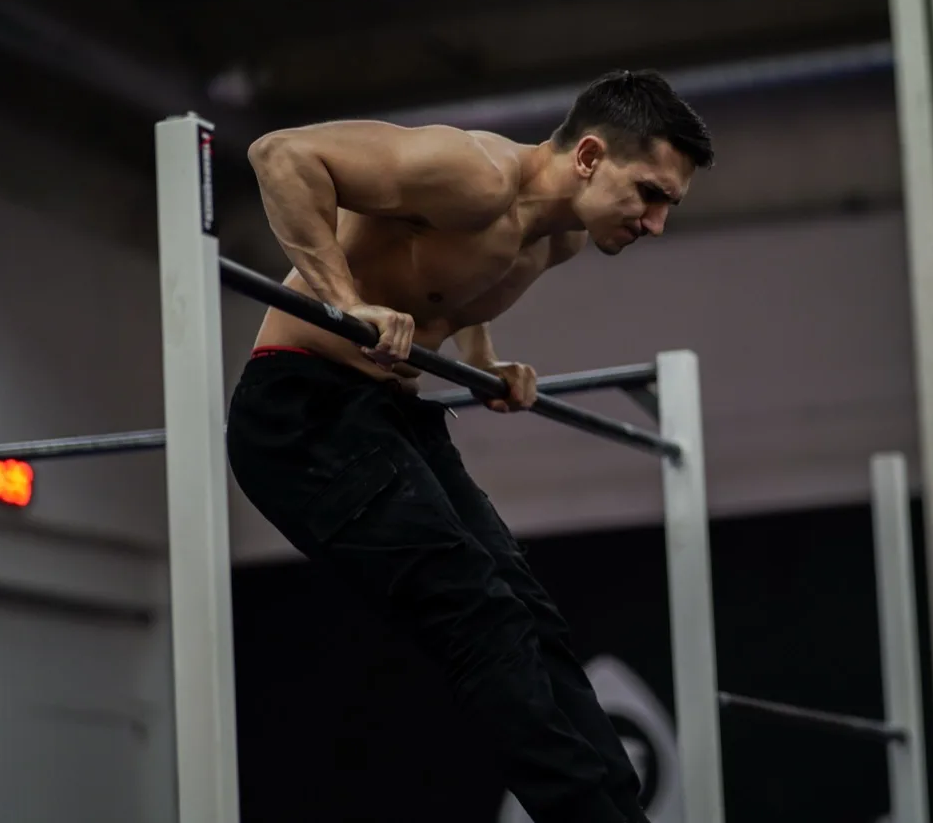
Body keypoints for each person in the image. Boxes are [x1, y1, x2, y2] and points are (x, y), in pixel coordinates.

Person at [224, 69, 714, 823]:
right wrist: (345, 302)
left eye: (669, 206)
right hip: (299, 408)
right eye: (648, 194)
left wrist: (484, 366)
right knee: (479, 616)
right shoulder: (474, 174)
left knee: (529, 616)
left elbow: (457, 288)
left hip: (388, 414)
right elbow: (280, 155)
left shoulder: (566, 238)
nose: (656, 223)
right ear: (588, 157)